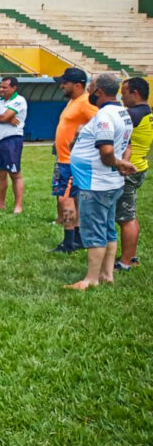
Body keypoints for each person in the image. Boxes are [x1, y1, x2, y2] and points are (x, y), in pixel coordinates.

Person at [66, 74, 135, 290]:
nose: (88, 92)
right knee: (107, 229)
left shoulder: (105, 116)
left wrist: (117, 163)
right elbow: (126, 145)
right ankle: (107, 274)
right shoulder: (122, 113)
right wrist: (122, 163)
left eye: (91, 88)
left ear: (98, 92)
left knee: (95, 230)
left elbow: (106, 152)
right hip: (110, 182)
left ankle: (91, 279)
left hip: (96, 183)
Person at [49, 68, 100, 253]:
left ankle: (69, 243)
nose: (62, 86)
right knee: (71, 199)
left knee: (66, 200)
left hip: (72, 162)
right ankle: (78, 238)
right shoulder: (73, 101)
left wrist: (82, 134)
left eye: (65, 83)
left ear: (77, 85)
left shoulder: (85, 102)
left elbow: (101, 123)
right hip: (64, 160)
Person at [117, 77, 151, 270]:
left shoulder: (132, 114)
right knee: (129, 214)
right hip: (139, 167)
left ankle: (125, 261)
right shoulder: (148, 112)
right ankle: (131, 256)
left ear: (134, 93)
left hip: (129, 170)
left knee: (126, 218)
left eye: (124, 93)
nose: (122, 97)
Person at [0, 77, 27, 213]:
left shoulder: (19, 100)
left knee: (14, 173)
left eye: (5, 87)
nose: (1, 90)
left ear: (14, 88)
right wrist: (3, 118)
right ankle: (0, 203)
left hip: (12, 140)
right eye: (0, 87)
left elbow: (3, 117)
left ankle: (18, 206)